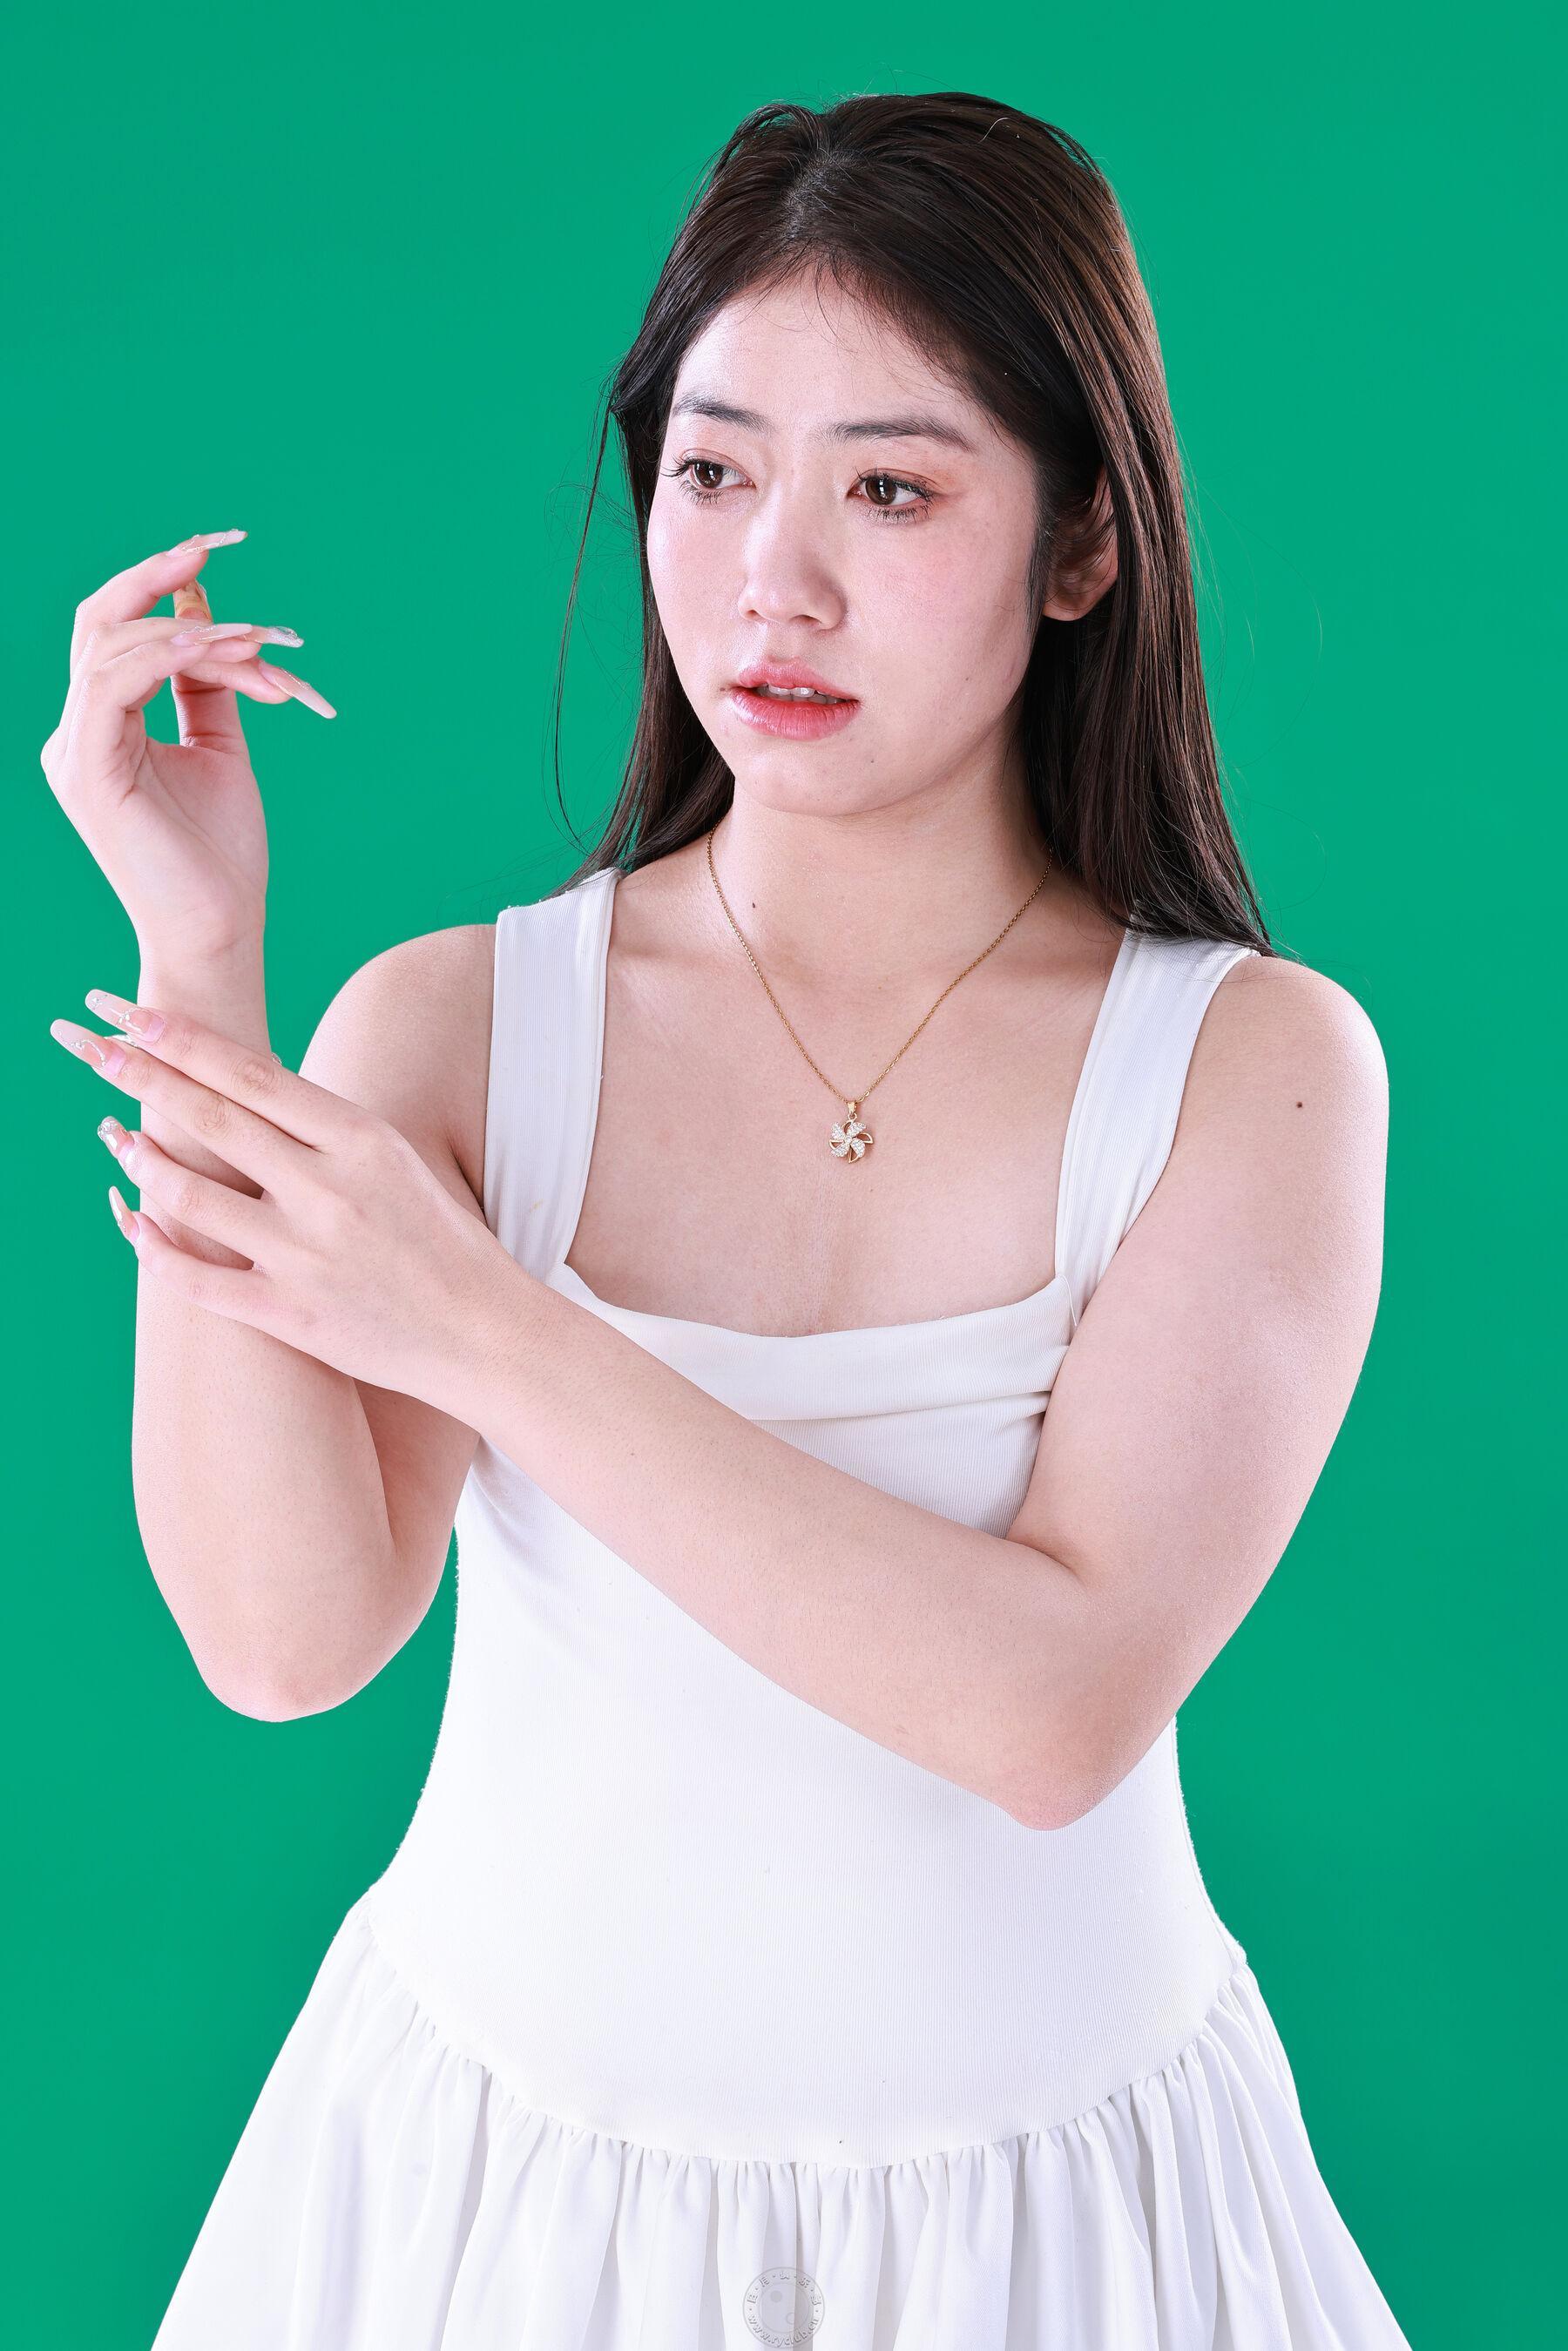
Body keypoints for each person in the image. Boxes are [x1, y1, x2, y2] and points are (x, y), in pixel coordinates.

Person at [44, 91, 1414, 2351]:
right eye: (711, 471)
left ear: (1083, 542)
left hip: (1056, 2237)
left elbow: (1053, 1708)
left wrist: (486, 1325)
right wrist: (201, 968)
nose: (775, 579)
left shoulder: (1249, 1070)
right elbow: (284, 1641)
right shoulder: (459, 1026)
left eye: (890, 488)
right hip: (499, 2217)